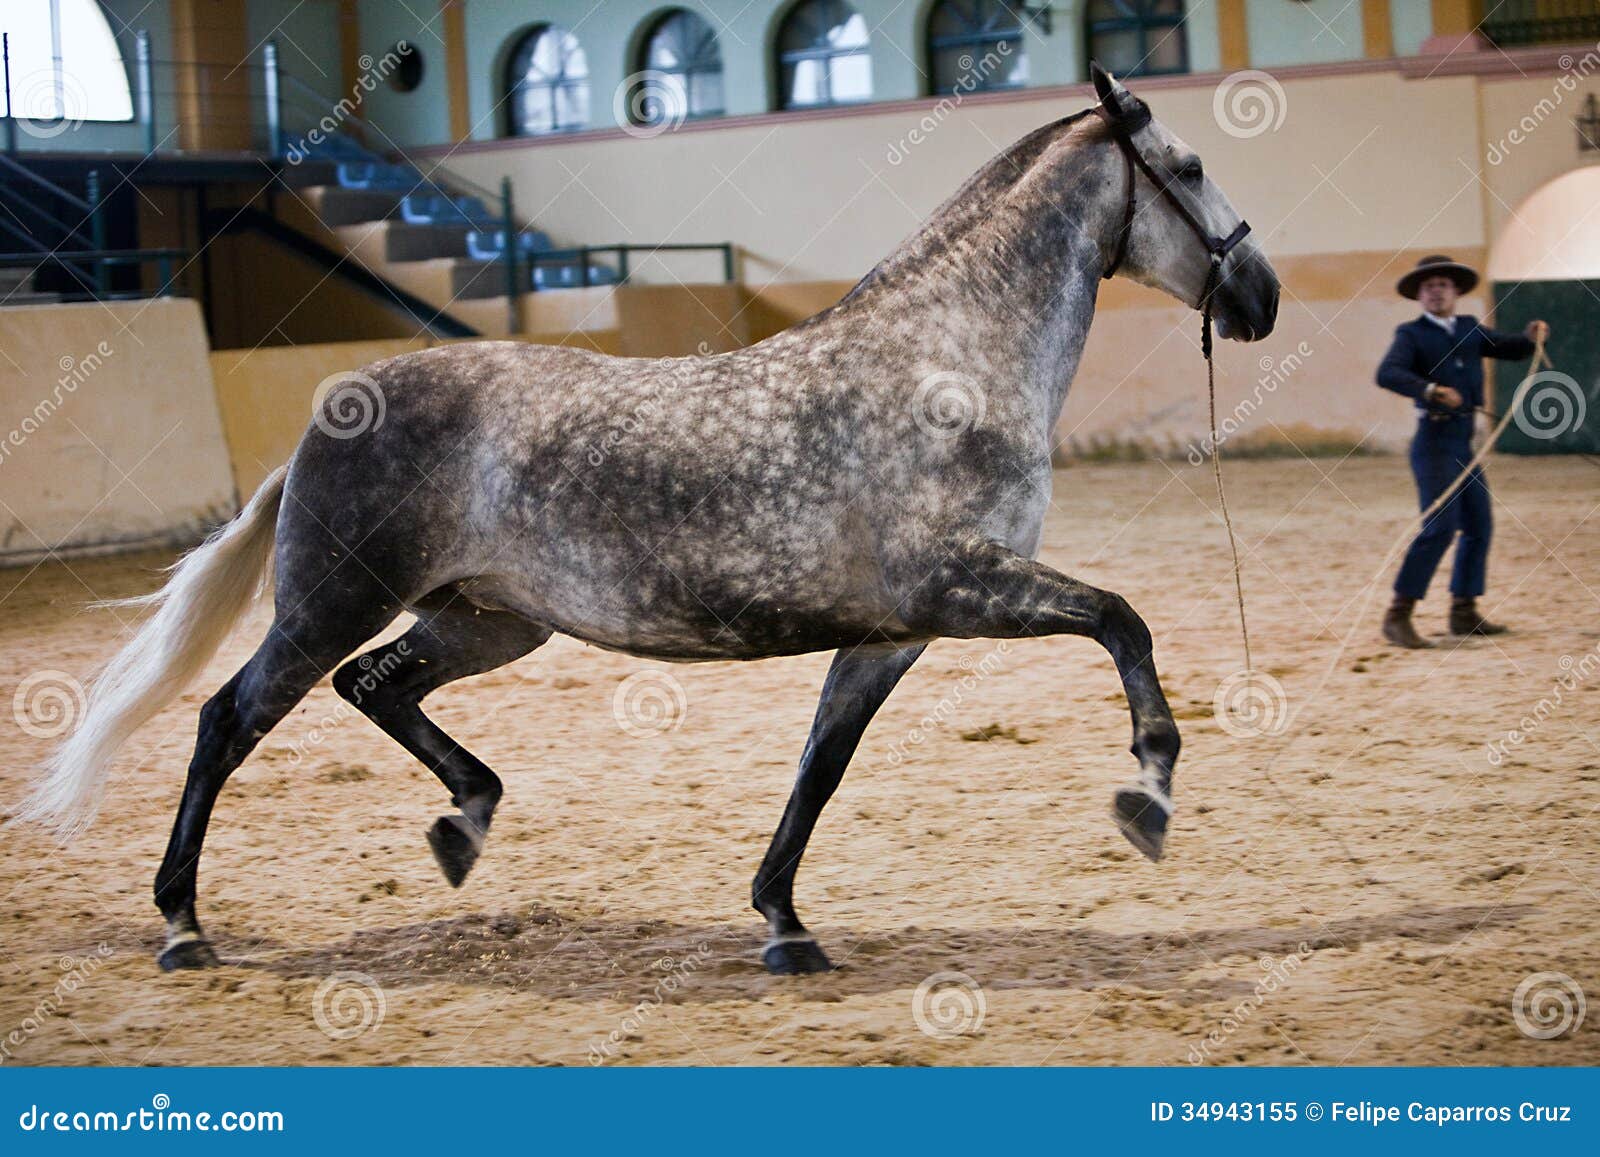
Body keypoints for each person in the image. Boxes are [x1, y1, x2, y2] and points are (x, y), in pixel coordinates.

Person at [1375, 255, 1548, 649]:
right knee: (1440, 528)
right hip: (1432, 443)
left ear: (1455, 292)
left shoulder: (1470, 329)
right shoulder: (1411, 335)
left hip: (1464, 445)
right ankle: (1397, 615)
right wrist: (1431, 390)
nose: (1436, 291)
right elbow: (1388, 373)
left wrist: (1531, 334)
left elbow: (1513, 348)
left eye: (1443, 285)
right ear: (1419, 296)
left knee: (1479, 526)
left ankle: (1463, 610)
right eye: (1429, 286)